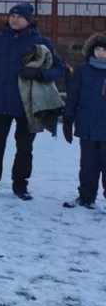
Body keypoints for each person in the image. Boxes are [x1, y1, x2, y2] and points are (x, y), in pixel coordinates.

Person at [0, 2, 65, 201]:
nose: (15, 19)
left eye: (20, 16)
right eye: (12, 15)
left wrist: (41, 73)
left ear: (29, 20)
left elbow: (59, 69)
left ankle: (20, 185)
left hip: (28, 103)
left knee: (24, 146)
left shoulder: (41, 42)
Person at [62, 33, 106, 209]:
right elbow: (73, 96)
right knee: (87, 165)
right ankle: (86, 196)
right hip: (87, 125)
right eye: (98, 49)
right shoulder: (82, 71)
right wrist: (67, 118)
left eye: (105, 50)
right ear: (91, 50)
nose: (101, 53)